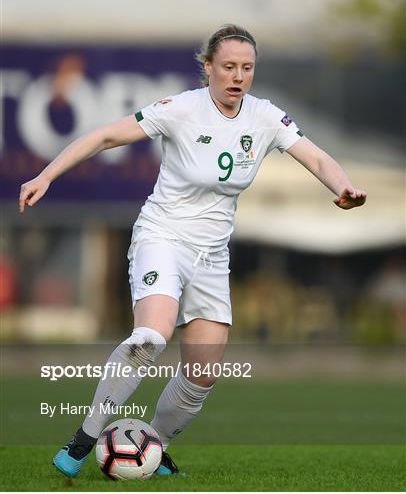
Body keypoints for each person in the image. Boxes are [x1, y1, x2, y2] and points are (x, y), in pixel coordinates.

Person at [19, 24, 367, 477]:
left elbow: (317, 157)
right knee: (151, 337)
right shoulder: (181, 108)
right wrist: (46, 175)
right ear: (208, 68)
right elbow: (105, 136)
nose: (237, 76)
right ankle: (85, 439)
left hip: (212, 256)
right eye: (228, 67)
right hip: (162, 237)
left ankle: (151, 448)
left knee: (202, 374)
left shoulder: (264, 117)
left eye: (247, 68)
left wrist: (342, 187)